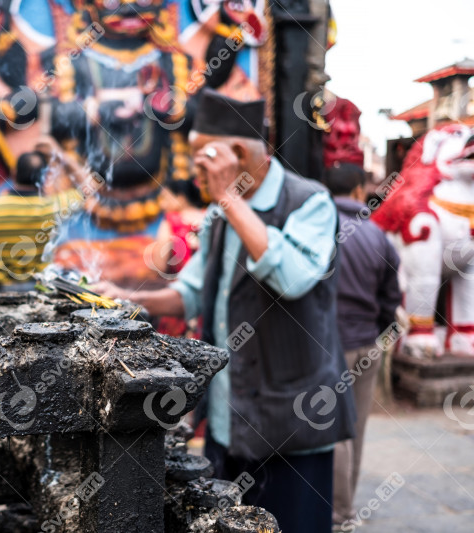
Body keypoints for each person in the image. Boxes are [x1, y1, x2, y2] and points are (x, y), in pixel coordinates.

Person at [95, 88, 355, 533]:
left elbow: (292, 279)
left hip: (290, 421)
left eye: (202, 154)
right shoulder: (220, 215)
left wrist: (231, 200)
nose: (194, 164)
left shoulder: (308, 200)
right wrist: (124, 297)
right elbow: (192, 293)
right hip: (226, 419)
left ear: (235, 152)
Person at [323, 162, 401, 530]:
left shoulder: (320, 230)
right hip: (367, 344)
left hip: (328, 344)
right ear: (358, 192)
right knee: (355, 429)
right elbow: (390, 299)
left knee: (332, 430)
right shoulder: (378, 236)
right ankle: (345, 509)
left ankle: (338, 513)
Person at [0, 148, 85, 297]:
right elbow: (89, 187)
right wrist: (62, 156)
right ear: (44, 178)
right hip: (40, 291)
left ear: (14, 173)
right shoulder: (55, 207)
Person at [151, 180, 207, 338]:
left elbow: (159, 265)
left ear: (181, 198)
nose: (162, 205)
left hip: (179, 302)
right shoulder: (209, 216)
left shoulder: (171, 221)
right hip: (207, 302)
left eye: (165, 198)